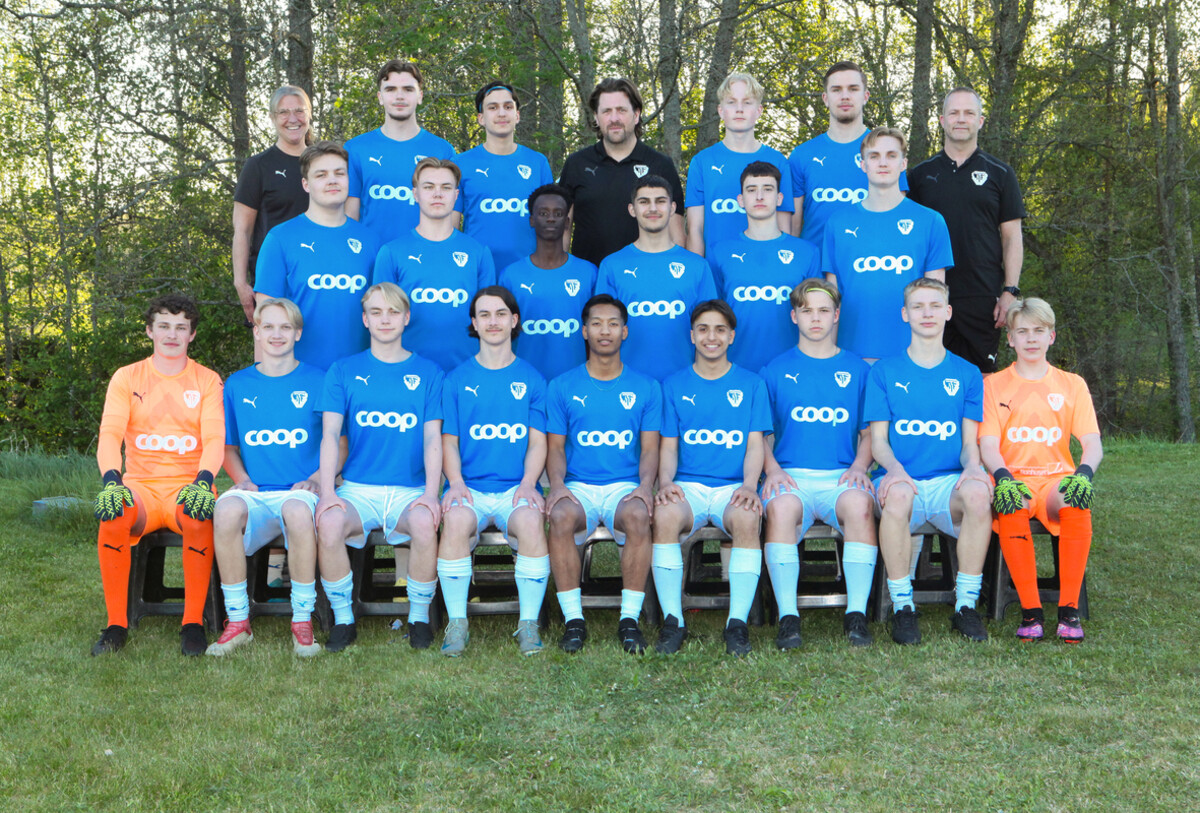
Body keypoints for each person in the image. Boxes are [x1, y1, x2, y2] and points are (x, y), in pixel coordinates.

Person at [312, 283, 445, 652]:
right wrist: (327, 492)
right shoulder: (343, 370)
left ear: (406, 318)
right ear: (365, 320)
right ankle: (343, 620)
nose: (385, 319)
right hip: (358, 488)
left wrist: (431, 494)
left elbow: (432, 439)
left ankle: (419, 619)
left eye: (393, 312)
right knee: (329, 523)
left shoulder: (429, 372)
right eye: (376, 312)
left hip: (409, 489)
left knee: (424, 523)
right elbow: (330, 435)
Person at [91, 295, 224, 657]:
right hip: (142, 487)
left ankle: (192, 623)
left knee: (198, 515)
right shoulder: (127, 376)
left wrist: (204, 479)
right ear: (150, 331)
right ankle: (116, 625)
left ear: (192, 335)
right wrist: (111, 479)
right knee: (114, 513)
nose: (172, 335)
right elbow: (110, 433)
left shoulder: (207, 380)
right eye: (164, 326)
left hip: (188, 484)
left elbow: (215, 438)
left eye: (181, 328)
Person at [863, 278, 993, 645]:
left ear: (948, 312)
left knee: (979, 493)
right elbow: (878, 442)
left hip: (947, 484)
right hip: (901, 478)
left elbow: (968, 444)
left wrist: (973, 467)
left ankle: (965, 605)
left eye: (935, 305)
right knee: (899, 493)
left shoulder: (967, 373)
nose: (927, 313)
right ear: (905, 314)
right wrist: (896, 470)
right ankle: (903, 607)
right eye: (918, 306)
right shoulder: (883, 372)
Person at [759, 279, 877, 648]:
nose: (815, 318)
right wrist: (772, 470)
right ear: (794, 316)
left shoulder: (858, 370)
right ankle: (788, 616)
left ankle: (856, 615)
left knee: (860, 506)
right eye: (806, 310)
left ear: (836, 315)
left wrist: (859, 467)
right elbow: (759, 434)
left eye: (823, 310)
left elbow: (870, 432)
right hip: (790, 475)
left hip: (841, 475)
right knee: (780, 509)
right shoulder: (773, 370)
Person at [206, 297, 325, 657]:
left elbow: (341, 441)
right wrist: (241, 478)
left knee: (297, 510)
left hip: (301, 490)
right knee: (225, 510)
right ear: (256, 332)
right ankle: (238, 622)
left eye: (285, 327)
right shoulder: (237, 384)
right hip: (256, 491)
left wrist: (318, 476)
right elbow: (227, 446)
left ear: (298, 333)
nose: (277, 334)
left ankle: (302, 621)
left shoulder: (319, 380)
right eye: (268, 326)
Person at [979, 297, 1101, 642]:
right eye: (1022, 331)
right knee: (1011, 502)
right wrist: (1003, 478)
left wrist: (1084, 473)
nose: (1031, 338)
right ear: (1010, 339)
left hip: (1054, 480)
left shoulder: (1072, 384)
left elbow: (1093, 443)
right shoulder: (993, 385)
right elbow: (988, 445)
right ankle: (1031, 612)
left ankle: (1068, 611)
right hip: (1013, 477)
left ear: (1052, 336)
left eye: (1039, 330)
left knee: (1076, 500)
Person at [654, 300, 772, 656]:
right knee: (665, 516)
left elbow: (755, 444)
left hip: (732, 485)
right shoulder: (673, 385)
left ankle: (737, 624)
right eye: (703, 329)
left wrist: (749, 485)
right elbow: (668, 446)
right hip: (688, 485)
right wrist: (666, 482)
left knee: (747, 517)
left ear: (732, 336)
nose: (711, 337)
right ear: (692, 336)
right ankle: (673, 621)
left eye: (720, 330)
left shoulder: (752, 384)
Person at [545, 294, 662, 654]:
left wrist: (645, 486)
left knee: (639, 514)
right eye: (596, 323)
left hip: (624, 484)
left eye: (613, 324)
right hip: (579, 484)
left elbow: (650, 449)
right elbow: (554, 448)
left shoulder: (647, 387)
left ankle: (629, 620)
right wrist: (558, 486)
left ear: (625, 331)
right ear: (584, 331)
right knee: (560, 515)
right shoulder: (561, 386)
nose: (605, 331)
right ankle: (573, 621)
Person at [438, 286, 550, 656]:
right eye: (484, 314)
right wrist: (455, 483)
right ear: (473, 322)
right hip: (468, 486)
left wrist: (530, 483)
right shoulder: (455, 379)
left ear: (514, 320)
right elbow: (449, 442)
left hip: (515, 488)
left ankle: (529, 624)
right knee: (455, 521)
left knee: (531, 522)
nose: (493, 321)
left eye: (501, 313)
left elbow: (537, 442)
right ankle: (457, 623)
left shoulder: (533, 378)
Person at [907, 87, 1027, 373]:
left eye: (969, 113)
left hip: (982, 296)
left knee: (981, 381)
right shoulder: (920, 176)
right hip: (931, 296)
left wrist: (1010, 291)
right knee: (930, 376)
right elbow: (907, 237)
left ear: (980, 121)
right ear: (942, 120)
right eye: (954, 113)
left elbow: (1012, 237)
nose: (961, 119)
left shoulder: (1000, 173)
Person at [823, 127, 953, 361]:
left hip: (910, 358)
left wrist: (928, 361)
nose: (883, 163)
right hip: (851, 356)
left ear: (903, 163)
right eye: (874, 156)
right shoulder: (837, 223)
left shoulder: (931, 221)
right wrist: (830, 360)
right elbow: (832, 302)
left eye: (891, 155)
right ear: (863, 164)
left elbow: (935, 301)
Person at [253, 140, 380, 371]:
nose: (332, 180)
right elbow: (264, 321)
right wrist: (265, 380)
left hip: (359, 377)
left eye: (339, 173)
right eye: (321, 175)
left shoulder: (371, 241)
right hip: (298, 376)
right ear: (306, 184)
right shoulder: (280, 239)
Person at [372, 157, 495, 372]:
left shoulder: (478, 253)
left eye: (445, 187)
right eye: (429, 187)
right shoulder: (391, 253)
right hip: (406, 375)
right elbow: (380, 322)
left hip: (465, 375)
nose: (437, 194)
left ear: (456, 195)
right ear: (415, 194)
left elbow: (489, 322)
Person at [595, 176, 717, 381]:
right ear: (632, 209)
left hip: (684, 384)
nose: (653, 208)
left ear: (672, 208)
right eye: (644, 202)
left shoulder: (697, 266)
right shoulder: (612, 266)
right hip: (628, 385)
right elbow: (602, 333)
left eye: (660, 201)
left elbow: (709, 330)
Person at [708, 162, 821, 372]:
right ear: (741, 200)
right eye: (751, 190)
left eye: (767, 189)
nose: (759, 196)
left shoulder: (807, 252)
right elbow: (712, 316)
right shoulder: (719, 252)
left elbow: (817, 316)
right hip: (736, 369)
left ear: (779, 198)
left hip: (794, 369)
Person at [559, 78, 685, 265]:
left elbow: (676, 236)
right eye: (606, 111)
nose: (614, 118)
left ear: (636, 114)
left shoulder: (660, 165)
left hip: (647, 275)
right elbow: (563, 230)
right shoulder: (576, 164)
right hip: (590, 278)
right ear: (596, 117)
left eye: (621, 110)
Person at [789, 61, 906, 245]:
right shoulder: (801, 155)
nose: (845, 96)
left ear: (865, 96)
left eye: (853, 89)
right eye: (836, 90)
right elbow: (792, 230)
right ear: (825, 98)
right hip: (816, 262)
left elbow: (897, 218)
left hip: (870, 259)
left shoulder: (886, 152)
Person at [345, 60, 457, 244]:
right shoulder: (355, 149)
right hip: (372, 257)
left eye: (408, 89)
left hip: (425, 257)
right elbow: (350, 217)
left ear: (420, 96)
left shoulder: (442, 150)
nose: (399, 96)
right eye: (391, 89)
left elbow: (450, 219)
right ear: (380, 97)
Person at [685, 72, 794, 256]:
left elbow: (784, 229)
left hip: (765, 266)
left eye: (747, 102)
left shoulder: (778, 162)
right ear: (721, 110)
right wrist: (699, 272)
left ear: (759, 110)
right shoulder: (702, 162)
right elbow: (695, 230)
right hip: (715, 269)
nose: (739, 109)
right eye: (731, 102)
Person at [500, 184, 598, 381]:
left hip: (576, 384)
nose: (551, 218)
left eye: (558, 213)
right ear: (532, 220)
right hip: (523, 384)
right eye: (543, 213)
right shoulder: (510, 275)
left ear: (567, 222)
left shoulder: (589, 273)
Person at [232, 85, 313, 326]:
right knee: (273, 350)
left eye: (299, 111)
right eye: (283, 112)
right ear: (272, 117)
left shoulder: (322, 164)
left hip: (317, 280)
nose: (292, 119)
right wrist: (240, 283)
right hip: (271, 283)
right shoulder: (258, 166)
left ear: (309, 114)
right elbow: (242, 231)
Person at [456, 81, 555, 272]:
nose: (501, 113)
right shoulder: (461, 163)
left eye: (508, 107)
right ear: (481, 118)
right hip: (477, 273)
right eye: (493, 107)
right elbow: (450, 226)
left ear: (517, 115)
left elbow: (549, 225)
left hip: (527, 273)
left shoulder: (537, 162)